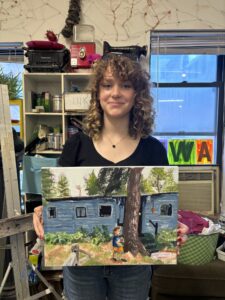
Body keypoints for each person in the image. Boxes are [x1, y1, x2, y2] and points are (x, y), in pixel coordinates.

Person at [33, 54, 188, 300]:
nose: (115, 93)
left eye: (125, 85)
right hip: (81, 266)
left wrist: (173, 227)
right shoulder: (76, 146)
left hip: (134, 267)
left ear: (137, 94)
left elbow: (160, 205)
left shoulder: (154, 149)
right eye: (107, 85)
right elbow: (55, 200)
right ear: (98, 93)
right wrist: (42, 211)